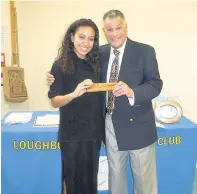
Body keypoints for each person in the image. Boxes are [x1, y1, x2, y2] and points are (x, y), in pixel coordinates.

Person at [47, 10, 163, 194]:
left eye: (118, 28)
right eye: (110, 29)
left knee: (144, 183)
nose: (115, 33)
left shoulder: (145, 51)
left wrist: (132, 91)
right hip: (110, 125)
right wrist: (53, 77)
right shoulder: (99, 53)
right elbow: (74, 68)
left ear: (126, 27)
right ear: (105, 30)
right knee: (115, 180)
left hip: (138, 126)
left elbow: (155, 85)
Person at [48, 18, 105, 194]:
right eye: (81, 37)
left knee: (90, 181)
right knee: (71, 180)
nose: (86, 43)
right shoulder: (60, 65)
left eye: (91, 38)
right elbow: (54, 100)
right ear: (72, 37)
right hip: (71, 133)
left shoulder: (97, 63)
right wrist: (74, 94)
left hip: (94, 132)